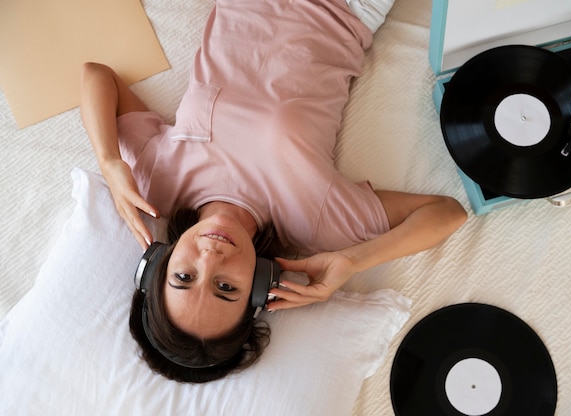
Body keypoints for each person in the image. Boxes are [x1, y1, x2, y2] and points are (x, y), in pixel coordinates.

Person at [80, 0, 467, 382]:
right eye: (225, 287)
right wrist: (351, 261)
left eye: (185, 277)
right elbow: (447, 212)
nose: (211, 258)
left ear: (161, 262)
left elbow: (97, 76)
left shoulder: (157, 182)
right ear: (259, 287)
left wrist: (111, 162)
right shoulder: (316, 222)